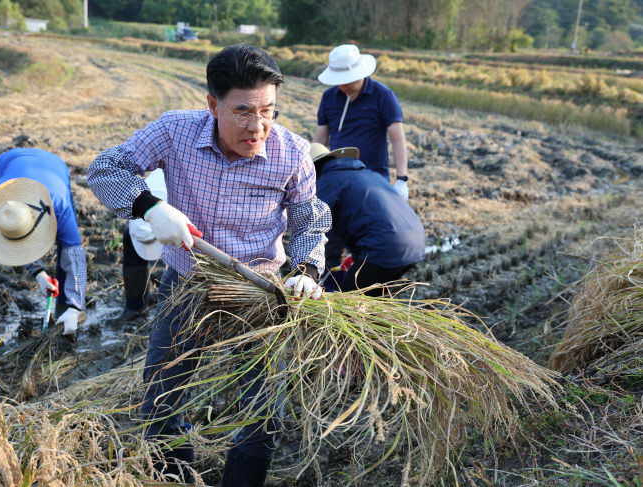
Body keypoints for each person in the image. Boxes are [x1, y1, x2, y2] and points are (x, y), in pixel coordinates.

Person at [87, 44, 331, 486]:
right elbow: (106, 168)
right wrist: (150, 207)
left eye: (268, 111)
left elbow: (310, 221)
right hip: (188, 284)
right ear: (212, 104)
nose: (257, 127)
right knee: (161, 404)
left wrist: (307, 272)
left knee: (261, 417)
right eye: (243, 112)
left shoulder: (292, 153)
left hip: (261, 294)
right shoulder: (175, 132)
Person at [0, 148, 87, 335]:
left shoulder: (59, 207)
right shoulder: (0, 206)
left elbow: (74, 255)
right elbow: (14, 235)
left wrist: (75, 307)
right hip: (7, 162)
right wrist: (39, 273)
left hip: (55, 166)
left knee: (67, 243)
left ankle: (64, 310)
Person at [310, 143, 425, 295]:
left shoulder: (327, 181)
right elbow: (372, 218)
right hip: (416, 243)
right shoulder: (369, 174)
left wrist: (322, 266)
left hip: (385, 248)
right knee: (372, 299)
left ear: (313, 168)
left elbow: (319, 229)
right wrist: (357, 257)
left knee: (348, 303)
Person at [313, 44, 410, 199]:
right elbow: (320, 139)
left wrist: (401, 179)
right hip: (337, 176)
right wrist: (311, 170)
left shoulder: (382, 95)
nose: (343, 85)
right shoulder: (329, 97)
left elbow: (397, 139)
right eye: (339, 81)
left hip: (373, 178)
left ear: (360, 73)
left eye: (347, 81)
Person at [114, 169, 167, 324]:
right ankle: (135, 307)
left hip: (182, 207)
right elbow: (140, 228)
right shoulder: (137, 203)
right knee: (129, 236)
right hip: (150, 209)